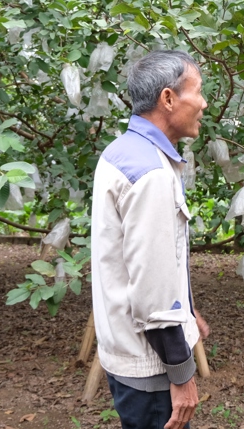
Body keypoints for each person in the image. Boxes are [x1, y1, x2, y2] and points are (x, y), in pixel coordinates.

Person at [90, 50, 210, 429]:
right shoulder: (151, 173)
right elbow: (155, 298)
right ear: (169, 98)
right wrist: (181, 374)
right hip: (150, 367)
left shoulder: (123, 151)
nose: (204, 103)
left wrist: (187, 314)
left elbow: (149, 264)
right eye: (198, 92)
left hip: (123, 349)